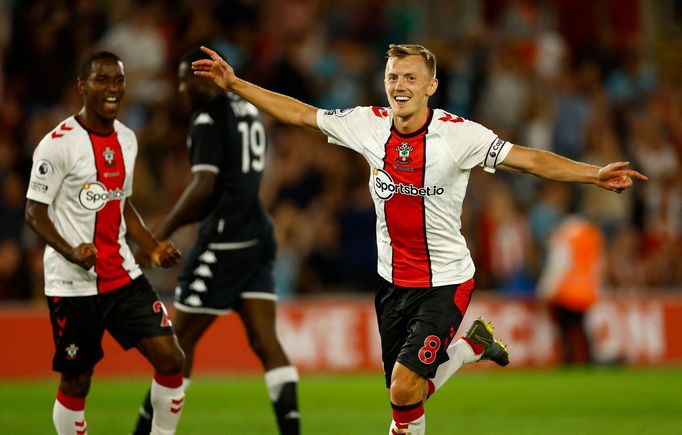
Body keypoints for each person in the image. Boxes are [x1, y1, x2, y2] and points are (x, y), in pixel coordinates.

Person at [192, 43, 647, 434]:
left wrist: (593, 175)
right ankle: (471, 346)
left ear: (431, 86)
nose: (399, 84)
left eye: (411, 76)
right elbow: (300, 114)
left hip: (446, 281)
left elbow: (526, 159)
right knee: (406, 396)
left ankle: (465, 348)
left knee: (405, 388)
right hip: (392, 284)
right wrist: (235, 84)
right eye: (393, 76)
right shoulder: (366, 123)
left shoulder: (459, 135)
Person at [132, 47, 300, 435]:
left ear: (204, 78)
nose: (179, 87)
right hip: (258, 233)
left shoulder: (207, 117)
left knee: (177, 346)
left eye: (184, 78)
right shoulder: (247, 108)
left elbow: (202, 187)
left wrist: (156, 235)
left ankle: (149, 430)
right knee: (265, 342)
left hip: (224, 242)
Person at [25, 51, 186, 435]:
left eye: (118, 81)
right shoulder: (57, 144)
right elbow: (34, 213)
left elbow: (121, 202)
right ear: (83, 87)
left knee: (171, 360)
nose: (112, 89)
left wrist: (151, 246)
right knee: (76, 383)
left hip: (122, 276)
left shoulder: (127, 139)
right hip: (72, 284)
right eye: (102, 80)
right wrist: (71, 251)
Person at [537, 213, 604, 365]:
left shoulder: (563, 235)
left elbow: (558, 265)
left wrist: (545, 290)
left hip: (565, 292)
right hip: (585, 291)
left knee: (566, 331)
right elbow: (597, 264)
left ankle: (570, 361)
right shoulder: (591, 234)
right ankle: (588, 360)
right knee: (580, 328)